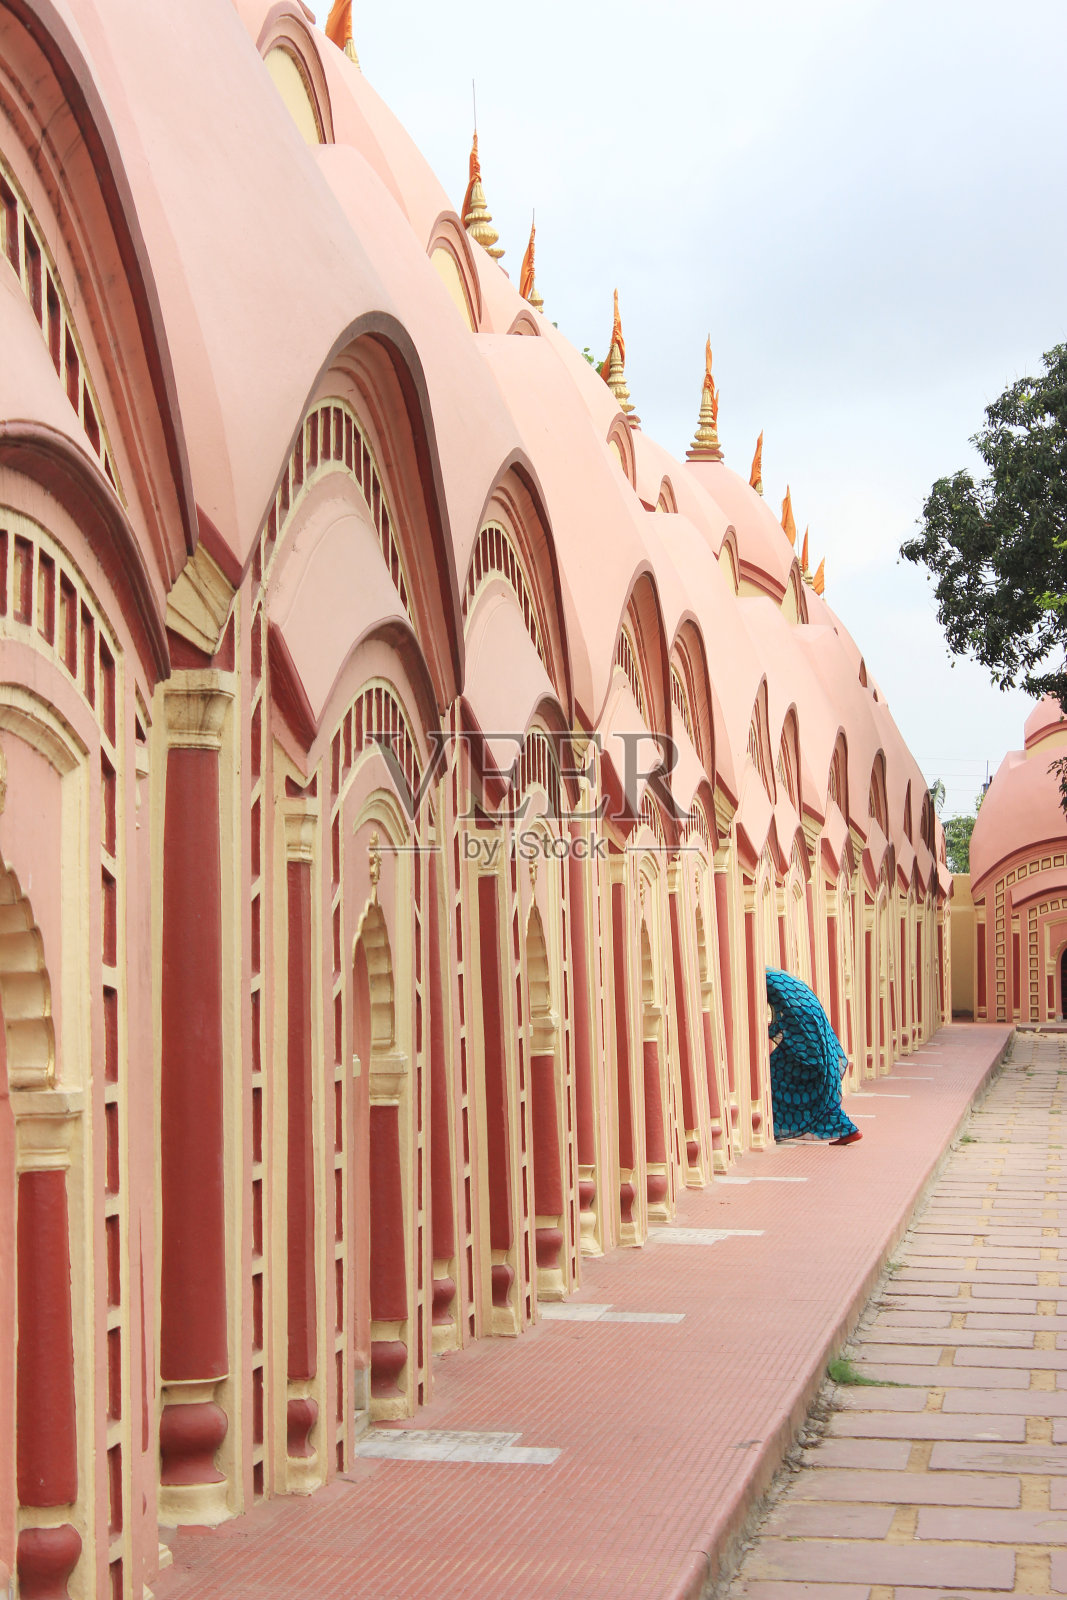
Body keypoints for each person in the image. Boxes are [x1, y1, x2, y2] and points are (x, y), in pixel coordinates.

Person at [764, 967, 862, 1145]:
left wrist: (769, 1031)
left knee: (774, 1077)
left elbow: (791, 1019)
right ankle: (845, 1128)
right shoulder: (784, 983)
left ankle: (774, 1125)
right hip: (813, 1042)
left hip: (807, 1046)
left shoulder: (771, 983)